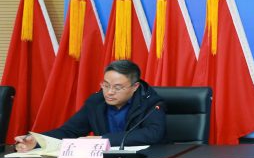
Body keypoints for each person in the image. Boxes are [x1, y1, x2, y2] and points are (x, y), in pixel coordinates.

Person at [14, 60, 165, 152]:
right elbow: (69, 131)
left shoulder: (151, 103)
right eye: (106, 85)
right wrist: (37, 140)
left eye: (117, 88)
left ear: (135, 87)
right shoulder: (96, 102)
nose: (109, 92)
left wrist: (103, 139)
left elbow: (153, 133)